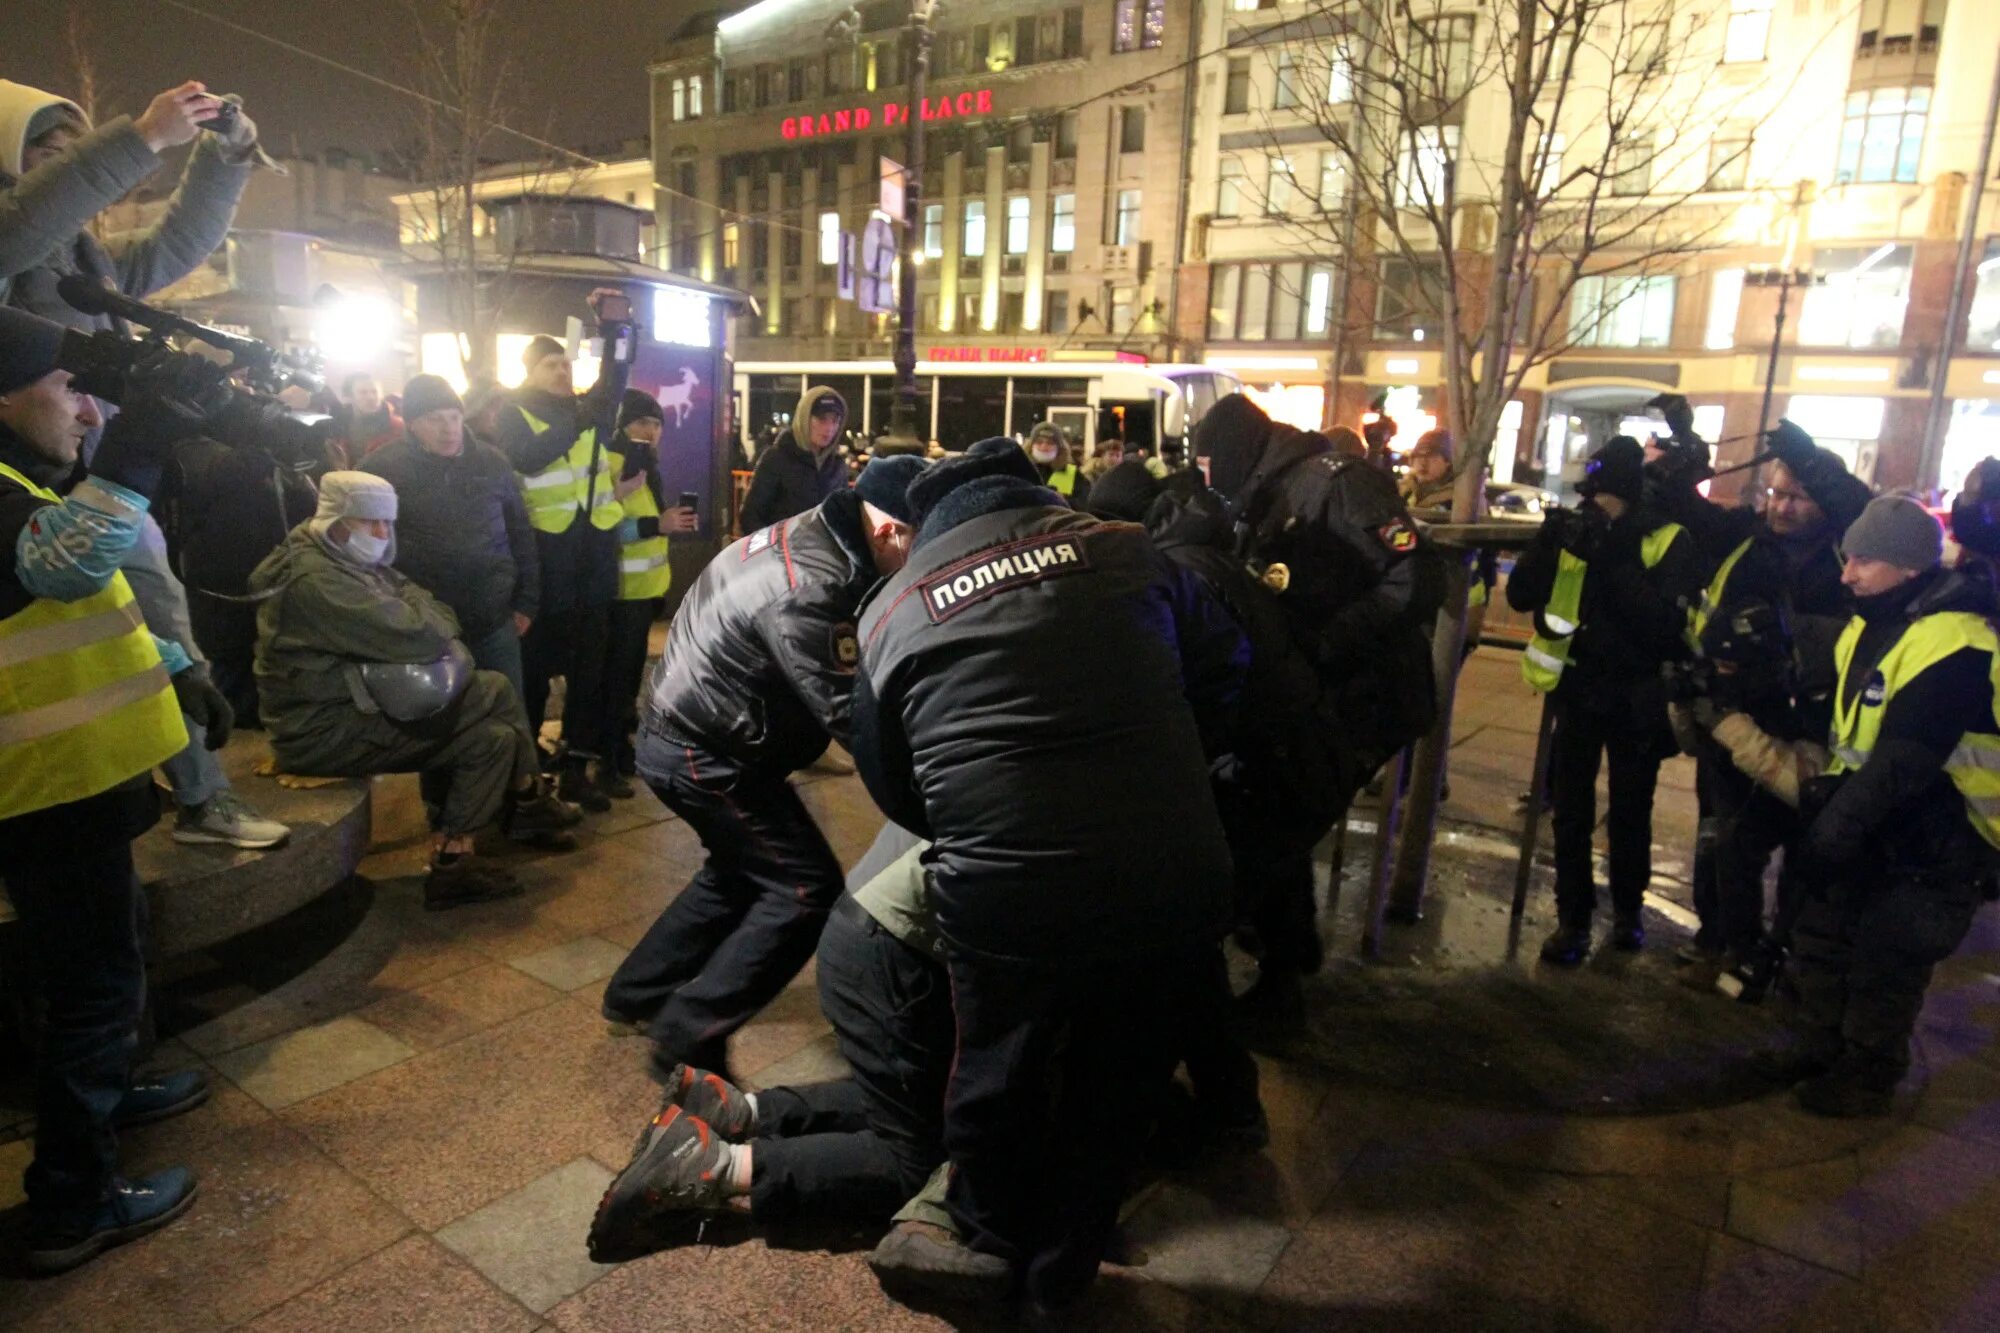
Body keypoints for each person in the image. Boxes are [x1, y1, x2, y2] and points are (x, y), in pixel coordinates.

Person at [850, 440, 1247, 1310]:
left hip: (1007, 899)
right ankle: (1055, 1288)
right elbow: (1228, 666)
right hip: (1170, 876)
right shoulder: (1131, 548)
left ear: (929, 526)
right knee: (1118, 1093)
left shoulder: (891, 610)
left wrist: (989, 819)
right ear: (1032, 493)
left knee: (998, 1072)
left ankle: (986, 1249)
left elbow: (890, 780)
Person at [0, 307, 227, 1271]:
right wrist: (137, 445)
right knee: (94, 983)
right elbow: (66, 561)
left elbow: (102, 593)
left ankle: (110, 1087)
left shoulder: (19, 476)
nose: (84, 409)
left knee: (105, 958)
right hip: (44, 785)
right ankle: (72, 1201)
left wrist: (176, 662)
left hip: (79, 773)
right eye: (67, 388)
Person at [600, 456, 926, 1076]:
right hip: (707, 751)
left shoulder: (816, 531)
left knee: (739, 869)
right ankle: (687, 1033)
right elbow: (853, 717)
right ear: (889, 532)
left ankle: (636, 993)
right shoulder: (817, 584)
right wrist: (931, 784)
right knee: (803, 889)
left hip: (692, 727)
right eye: (921, 548)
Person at [589, 822, 966, 1264]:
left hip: (871, 913)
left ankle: (735, 1110)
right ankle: (709, 1165)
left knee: (914, 1092)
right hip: (902, 949)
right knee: (921, 1161)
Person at [1192, 392, 1446, 1006]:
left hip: (1368, 692)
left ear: (1232, 453)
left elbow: (1413, 578)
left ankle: (1283, 975)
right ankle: (1287, 953)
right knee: (1275, 801)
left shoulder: (1336, 483)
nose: (1205, 480)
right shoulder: (1266, 491)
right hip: (1321, 687)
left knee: (1277, 810)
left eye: (1206, 467)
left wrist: (1330, 643)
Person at [251, 472, 579, 907]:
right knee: (494, 689)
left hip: (353, 711)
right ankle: (527, 800)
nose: (383, 535)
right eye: (372, 524)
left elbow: (407, 589)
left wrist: (422, 610)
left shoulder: (333, 556)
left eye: (388, 524)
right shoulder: (316, 580)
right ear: (337, 521)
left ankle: (454, 861)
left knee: (493, 739)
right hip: (324, 729)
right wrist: (431, 619)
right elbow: (419, 633)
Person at [1771, 495, 2000, 1116]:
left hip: (1940, 835)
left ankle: (1868, 1075)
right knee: (1827, 938)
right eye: (1849, 558)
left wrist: (1831, 833)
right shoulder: (1872, 623)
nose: (1848, 574)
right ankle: (1821, 1048)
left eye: (1864, 561)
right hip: (1875, 819)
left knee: (1886, 960)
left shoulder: (1956, 640)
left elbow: (1908, 757)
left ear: (1909, 568)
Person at [1648, 404, 1873, 991]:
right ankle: (1720, 942)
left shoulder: (1846, 554)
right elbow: (1686, 508)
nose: (1781, 506)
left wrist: (1810, 463)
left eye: (1796, 495)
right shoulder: (1747, 542)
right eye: (1775, 493)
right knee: (1724, 841)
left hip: (1809, 728)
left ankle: (1783, 953)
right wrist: (1683, 451)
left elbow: (1858, 506)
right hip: (1733, 719)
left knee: (1804, 850)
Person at [1509, 438, 1704, 965]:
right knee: (1570, 811)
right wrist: (1548, 545)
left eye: (1604, 500)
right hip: (1578, 690)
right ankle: (1572, 919)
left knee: (1629, 811)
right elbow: (1521, 596)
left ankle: (1627, 911)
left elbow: (1665, 626)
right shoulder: (1577, 530)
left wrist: (1614, 555)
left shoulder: (1667, 540)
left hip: (1636, 696)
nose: (1593, 508)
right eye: (1589, 498)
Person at [493, 309, 630, 807]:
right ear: (530, 372)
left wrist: (617, 329)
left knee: (589, 672)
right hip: (545, 559)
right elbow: (526, 457)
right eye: (550, 365)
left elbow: (618, 375)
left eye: (564, 364)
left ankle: (577, 767)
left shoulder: (588, 409)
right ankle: (526, 777)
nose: (561, 372)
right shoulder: (513, 411)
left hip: (592, 556)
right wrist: (575, 421)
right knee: (535, 674)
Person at [0, 78, 260, 328]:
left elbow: (180, 241)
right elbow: (23, 224)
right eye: (52, 156)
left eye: (73, 155)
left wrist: (226, 154)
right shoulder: (10, 244)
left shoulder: (87, 260)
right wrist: (151, 132)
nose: (60, 168)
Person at [363, 375, 539, 706]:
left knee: (506, 710)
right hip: (424, 628)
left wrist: (526, 602)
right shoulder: (383, 468)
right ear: (412, 424)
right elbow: (366, 546)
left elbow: (520, 533)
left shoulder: (492, 462)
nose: (449, 428)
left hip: (493, 619)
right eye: (435, 419)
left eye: (454, 417)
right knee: (439, 718)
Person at [602, 389, 697, 779]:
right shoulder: (613, 463)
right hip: (620, 590)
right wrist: (656, 524)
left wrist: (665, 522)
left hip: (645, 590)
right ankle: (609, 755)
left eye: (657, 424)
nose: (651, 430)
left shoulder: (646, 466)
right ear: (623, 425)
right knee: (615, 676)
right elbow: (601, 524)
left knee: (628, 674)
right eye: (642, 422)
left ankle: (622, 745)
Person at [739, 385, 847, 532]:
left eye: (835, 421)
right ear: (804, 418)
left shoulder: (837, 466)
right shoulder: (776, 459)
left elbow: (843, 517)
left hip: (822, 554)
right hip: (781, 552)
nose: (829, 428)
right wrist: (774, 552)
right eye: (821, 419)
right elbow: (750, 516)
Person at [333, 372, 402, 462]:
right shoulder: (339, 426)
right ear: (349, 397)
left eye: (374, 391)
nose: (371, 397)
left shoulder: (398, 427)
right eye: (363, 392)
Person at [1024, 421, 1090, 509]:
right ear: (1030, 446)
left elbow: (1085, 504)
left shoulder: (1072, 474)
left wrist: (1063, 500)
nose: (1044, 447)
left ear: (1060, 448)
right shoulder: (1022, 470)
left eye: (1050, 443)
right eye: (1039, 442)